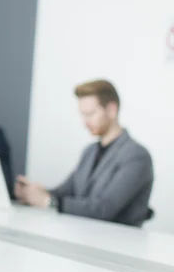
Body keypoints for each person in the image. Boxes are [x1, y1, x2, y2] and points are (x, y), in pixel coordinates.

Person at [15, 79, 154, 226]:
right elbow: (65, 192)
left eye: (90, 114)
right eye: (83, 115)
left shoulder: (137, 156)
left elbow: (104, 209)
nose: (85, 122)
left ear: (112, 110)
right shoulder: (89, 152)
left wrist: (48, 202)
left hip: (118, 243)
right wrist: (34, 193)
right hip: (84, 236)